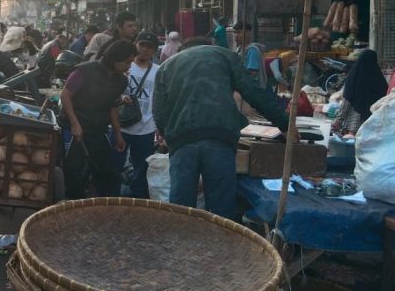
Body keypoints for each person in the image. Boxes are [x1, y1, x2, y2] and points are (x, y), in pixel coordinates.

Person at [153, 38, 289, 220]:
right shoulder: (225, 56)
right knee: (221, 210)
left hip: (181, 140)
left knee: (181, 208)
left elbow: (159, 112)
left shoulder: (165, 67)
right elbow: (254, 92)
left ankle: (180, 245)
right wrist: (285, 124)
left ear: (183, 49)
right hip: (220, 138)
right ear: (210, 45)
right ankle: (221, 246)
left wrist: (166, 135)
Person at [59, 39, 136, 199]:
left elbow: (113, 107)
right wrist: (75, 124)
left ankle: (107, 208)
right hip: (74, 129)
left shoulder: (120, 80)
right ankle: (73, 207)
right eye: (127, 62)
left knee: (107, 172)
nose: (129, 66)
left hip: (98, 131)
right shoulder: (84, 71)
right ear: (116, 58)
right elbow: (66, 95)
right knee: (74, 172)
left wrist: (118, 134)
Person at [120, 32, 160, 199]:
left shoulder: (158, 71)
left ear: (154, 51)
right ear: (135, 44)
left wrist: (160, 127)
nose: (144, 49)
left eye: (149, 47)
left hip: (146, 128)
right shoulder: (125, 66)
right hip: (121, 125)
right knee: (115, 165)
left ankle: (137, 201)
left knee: (142, 169)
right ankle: (112, 198)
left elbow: (160, 99)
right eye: (142, 44)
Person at [333, 50, 388, 136]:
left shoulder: (354, 77)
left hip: (354, 124)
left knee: (352, 143)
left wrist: (339, 120)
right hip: (373, 124)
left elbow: (347, 100)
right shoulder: (380, 80)